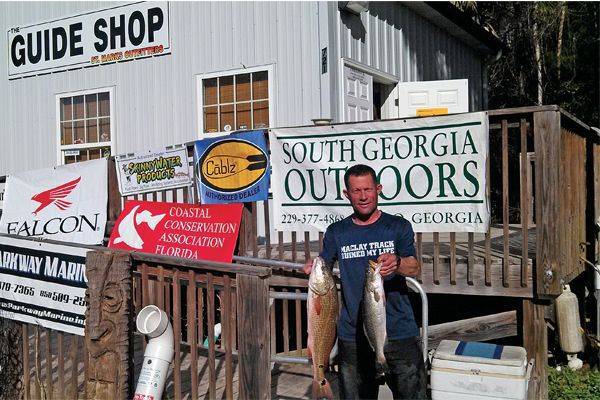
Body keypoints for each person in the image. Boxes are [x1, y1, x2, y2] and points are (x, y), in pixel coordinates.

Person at [303, 164, 427, 399]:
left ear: (378, 189)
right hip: (353, 336)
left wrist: (398, 263)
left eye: (368, 190)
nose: (363, 197)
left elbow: (415, 267)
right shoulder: (337, 232)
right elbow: (323, 266)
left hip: (399, 332)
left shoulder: (398, 226)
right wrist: (313, 267)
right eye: (356, 191)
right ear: (346, 194)